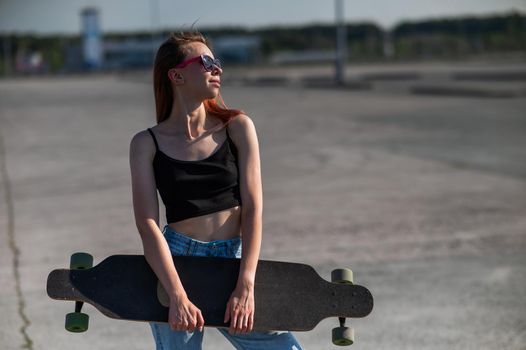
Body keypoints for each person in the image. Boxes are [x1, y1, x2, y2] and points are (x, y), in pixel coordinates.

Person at [129, 31, 303, 350]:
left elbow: (253, 210)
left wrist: (246, 284)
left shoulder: (237, 127)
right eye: (206, 62)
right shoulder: (146, 143)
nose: (217, 69)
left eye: (217, 62)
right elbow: (147, 224)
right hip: (176, 263)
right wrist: (177, 295)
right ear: (177, 75)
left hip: (234, 261)